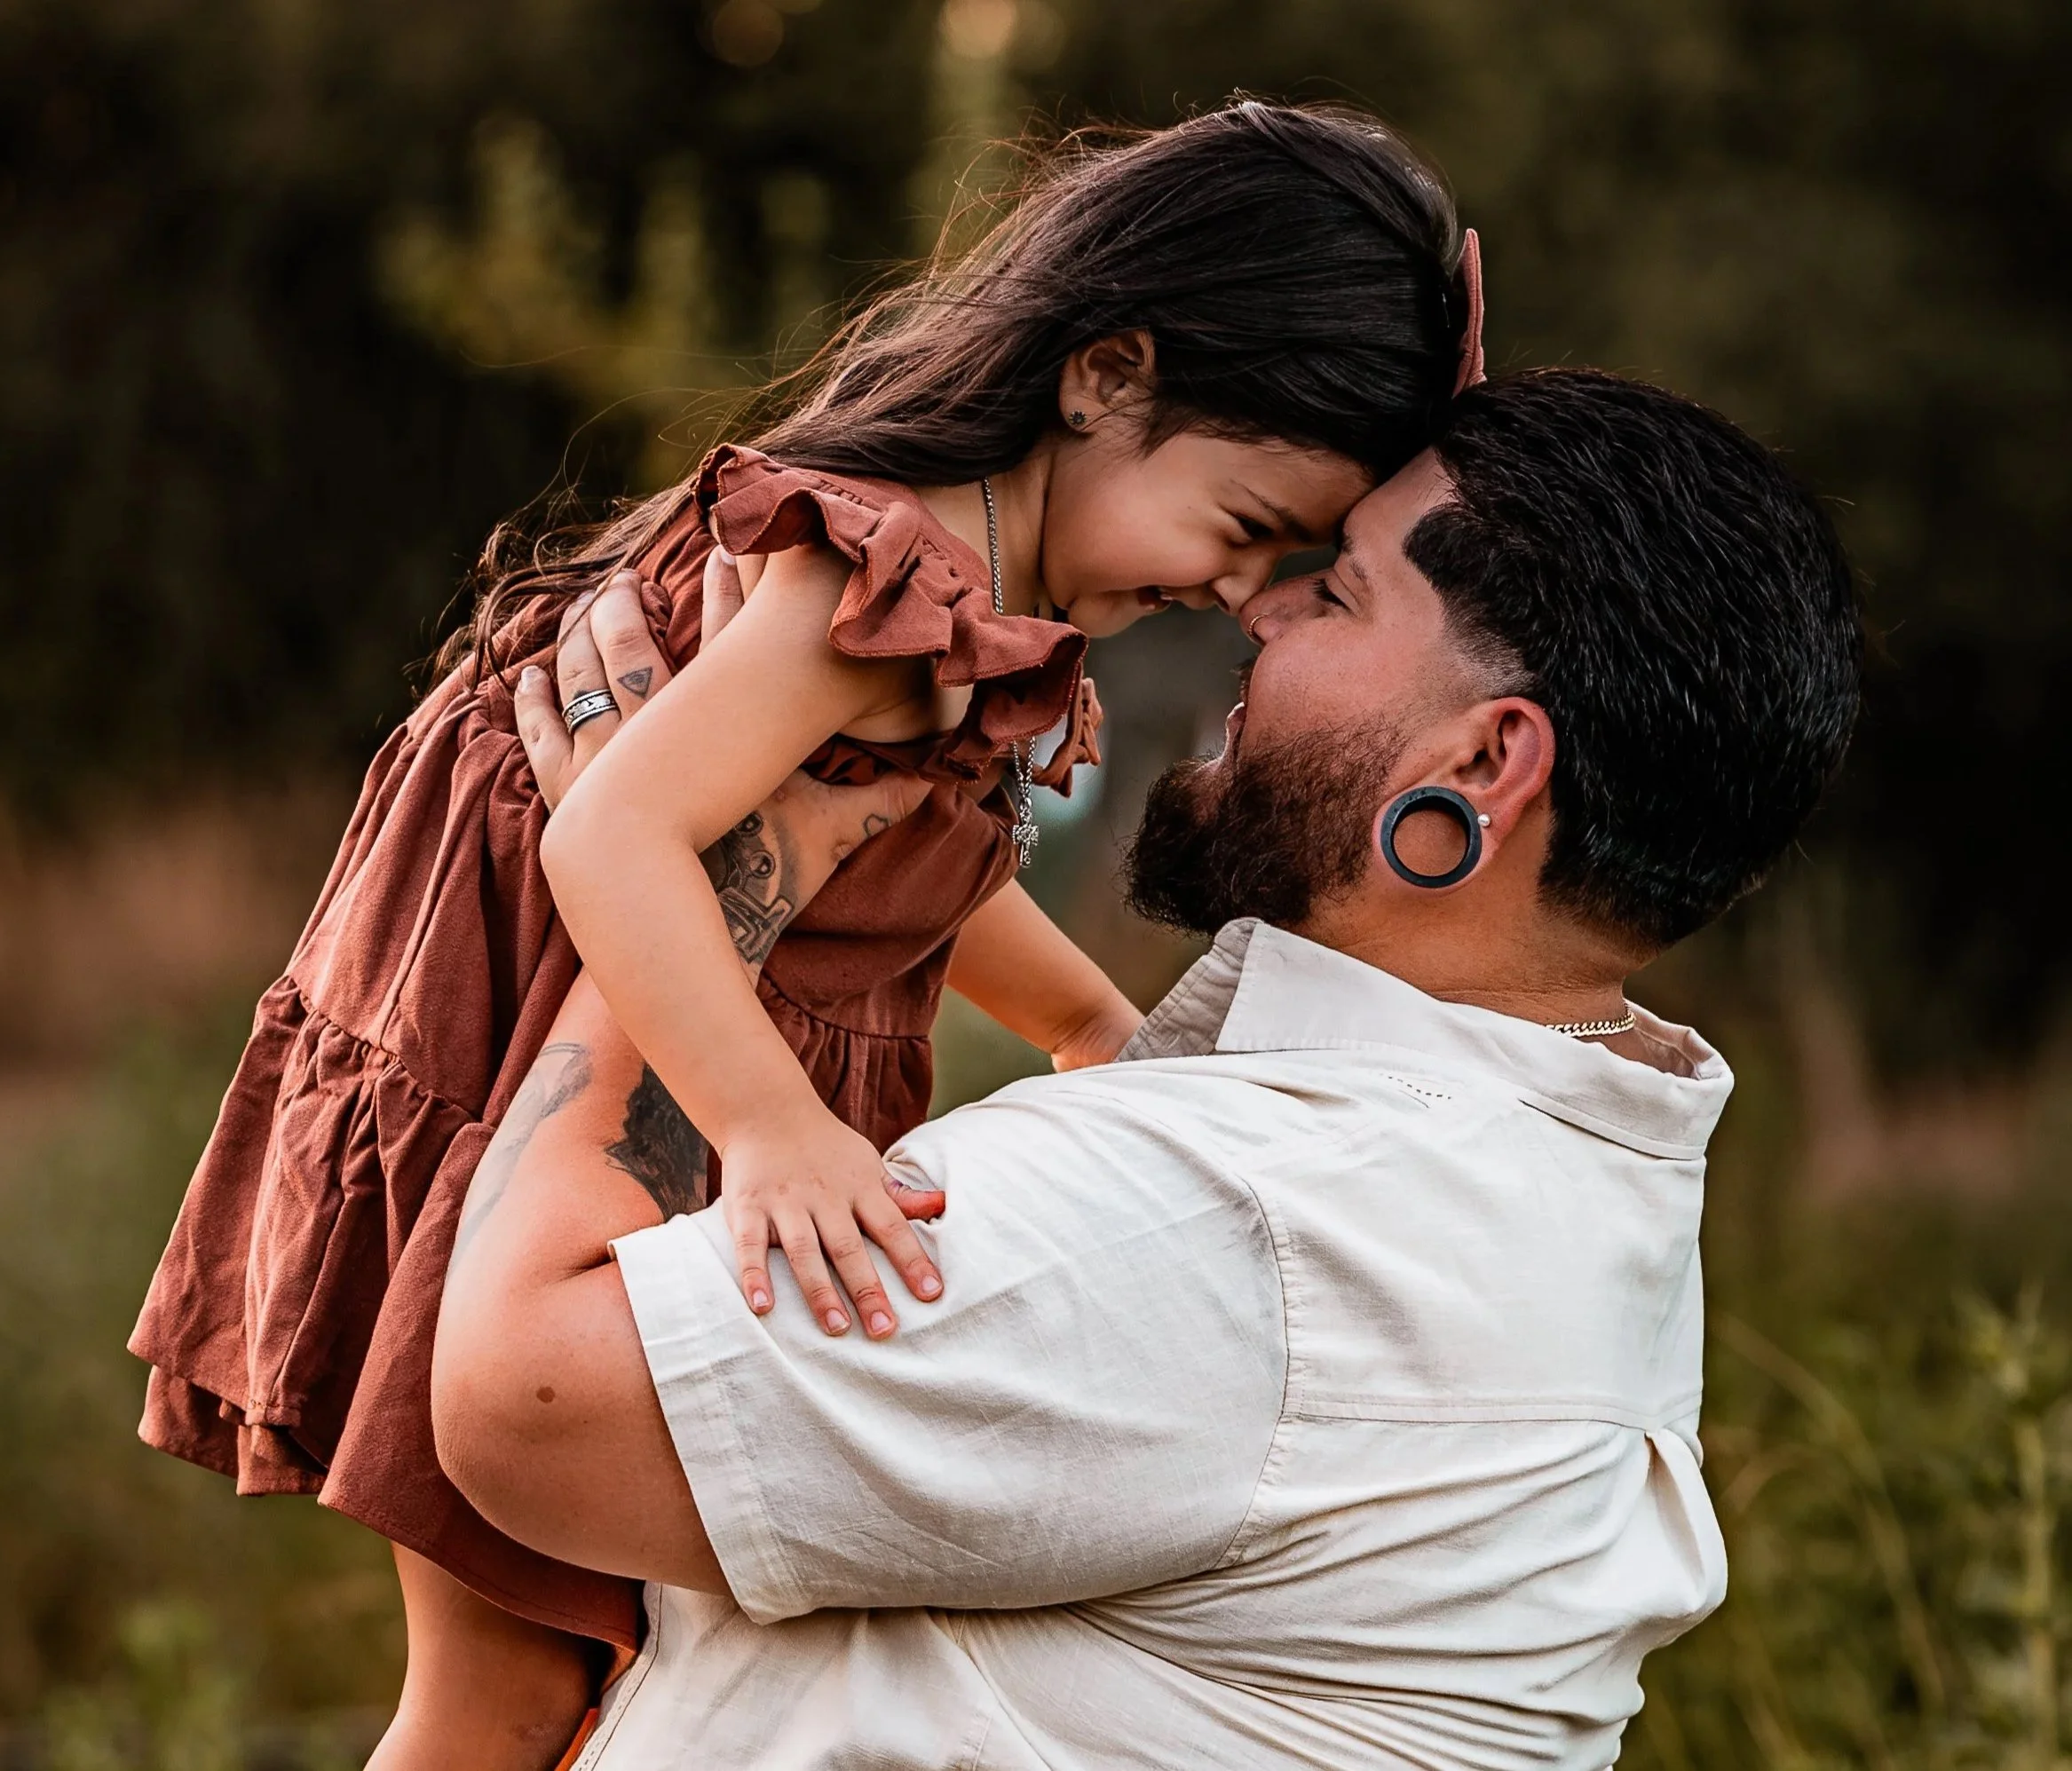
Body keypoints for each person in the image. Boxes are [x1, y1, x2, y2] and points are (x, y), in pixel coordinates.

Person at [129, 100, 1484, 1768]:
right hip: (543, 1070)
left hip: (657, 1047)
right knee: (508, 1690)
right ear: (1107, 375)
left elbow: (904, 871)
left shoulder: (971, 596)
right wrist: (771, 1126)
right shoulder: (881, 573)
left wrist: (1090, 1032)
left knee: (603, 1674)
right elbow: (610, 834)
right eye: (1246, 522)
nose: (1238, 587)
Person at [431, 368, 1865, 1769]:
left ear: (1487, 762)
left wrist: (718, 857)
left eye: (1339, 590)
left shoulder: (1239, 1219)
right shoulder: (1557, 1186)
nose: (1258, 605)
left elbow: (525, 1404)